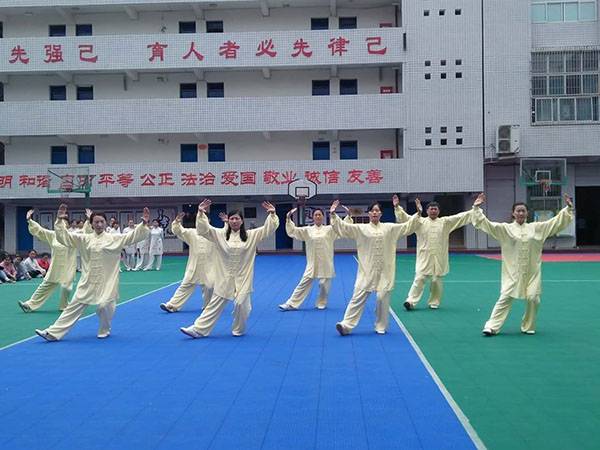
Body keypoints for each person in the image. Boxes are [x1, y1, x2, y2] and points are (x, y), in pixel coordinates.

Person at [34, 204, 150, 342]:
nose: (99, 224)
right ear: (91, 224)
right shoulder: (84, 239)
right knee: (73, 306)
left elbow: (132, 236)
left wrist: (143, 224)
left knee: (105, 306)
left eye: (102, 221)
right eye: (96, 222)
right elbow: (64, 237)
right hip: (88, 280)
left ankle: (104, 329)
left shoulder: (115, 238)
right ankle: (53, 333)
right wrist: (59, 221)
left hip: (107, 281)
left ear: (106, 223)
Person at [472, 193, 574, 336]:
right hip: (512, 272)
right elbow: (488, 225)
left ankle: (528, 326)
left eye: (523, 211)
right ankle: (491, 327)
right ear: (513, 213)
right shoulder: (505, 229)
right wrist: (476, 208)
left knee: (533, 298)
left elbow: (554, 223)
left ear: (527, 213)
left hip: (532, 272)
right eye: (518, 211)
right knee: (505, 298)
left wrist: (568, 209)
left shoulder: (537, 228)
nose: (520, 213)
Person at [180, 199, 279, 338]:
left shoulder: (251, 235)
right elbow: (204, 230)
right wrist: (201, 213)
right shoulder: (220, 235)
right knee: (215, 304)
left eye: (237, 218)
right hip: (224, 276)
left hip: (243, 277)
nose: (234, 221)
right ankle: (199, 329)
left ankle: (239, 329)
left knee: (241, 305)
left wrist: (272, 214)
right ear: (229, 220)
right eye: (232, 218)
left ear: (242, 221)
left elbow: (268, 229)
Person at [329, 199, 421, 336]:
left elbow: (407, 226)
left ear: (381, 214)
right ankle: (346, 325)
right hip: (366, 271)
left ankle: (381, 326)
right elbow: (344, 228)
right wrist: (333, 215)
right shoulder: (361, 229)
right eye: (372, 211)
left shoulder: (390, 228)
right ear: (369, 213)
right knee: (357, 297)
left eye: (377, 211)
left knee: (382, 299)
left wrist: (418, 213)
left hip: (385, 271)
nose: (375, 213)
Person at [396, 194, 477, 310]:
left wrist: (475, 208)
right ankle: (410, 301)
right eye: (431, 209)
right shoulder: (419, 222)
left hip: (439, 258)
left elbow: (460, 217)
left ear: (439, 211)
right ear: (427, 211)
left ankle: (434, 302)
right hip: (424, 257)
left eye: (435, 209)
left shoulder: (445, 222)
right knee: (419, 278)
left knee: (436, 281)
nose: (433, 211)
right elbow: (406, 219)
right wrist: (397, 207)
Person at [278, 206, 353, 311]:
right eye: (316, 215)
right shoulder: (307, 230)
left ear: (323, 217)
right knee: (304, 282)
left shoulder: (330, 229)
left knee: (324, 285)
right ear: (312, 217)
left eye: (319, 215)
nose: (318, 216)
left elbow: (342, 228)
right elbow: (293, 231)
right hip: (312, 262)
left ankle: (321, 303)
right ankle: (291, 304)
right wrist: (288, 218)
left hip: (326, 262)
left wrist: (348, 216)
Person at [18, 209, 79, 313]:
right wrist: (30, 221)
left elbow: (87, 233)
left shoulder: (73, 236)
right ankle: (29, 305)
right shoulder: (53, 235)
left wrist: (89, 221)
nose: (62, 225)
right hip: (55, 267)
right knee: (45, 285)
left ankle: (64, 306)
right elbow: (40, 231)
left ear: (68, 225)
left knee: (66, 287)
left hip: (68, 267)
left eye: (64, 223)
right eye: (60, 222)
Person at [159, 211, 221, 313]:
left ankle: (208, 306)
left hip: (209, 266)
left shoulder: (214, 233)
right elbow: (179, 231)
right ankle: (172, 305)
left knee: (209, 286)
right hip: (194, 265)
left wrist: (226, 223)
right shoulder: (192, 233)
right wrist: (177, 222)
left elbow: (227, 235)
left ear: (208, 220)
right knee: (185, 284)